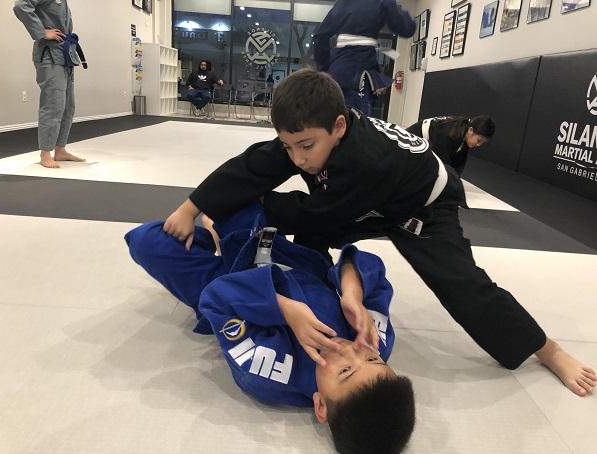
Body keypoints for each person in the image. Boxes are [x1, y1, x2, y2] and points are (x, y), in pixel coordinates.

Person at [162, 68, 596, 397]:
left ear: (339, 125)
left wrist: (252, 204)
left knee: (461, 284)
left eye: (305, 146)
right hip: (363, 194)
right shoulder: (310, 135)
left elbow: (319, 214)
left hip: (422, 202)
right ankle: (309, 300)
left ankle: (547, 349)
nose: (295, 158)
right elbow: (252, 165)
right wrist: (193, 206)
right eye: (288, 145)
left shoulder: (367, 161)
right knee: (288, 219)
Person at [125, 202, 416, 453]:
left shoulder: (269, 374)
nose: (352, 350)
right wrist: (354, 293)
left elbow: (216, 300)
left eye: (344, 370)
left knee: (144, 240)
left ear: (320, 406)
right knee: (237, 198)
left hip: (233, 283)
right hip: (290, 262)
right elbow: (370, 267)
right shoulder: (373, 338)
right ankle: (220, 235)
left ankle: (219, 240)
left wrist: (283, 309)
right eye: (372, 359)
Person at [14, 0, 88, 169]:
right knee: (53, 104)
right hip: (50, 55)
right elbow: (20, 5)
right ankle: (45, 153)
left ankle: (60, 149)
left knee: (68, 106)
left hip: (65, 54)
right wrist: (41, 32)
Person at [312, 0, 416, 116]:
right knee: (357, 129)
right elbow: (408, 28)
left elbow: (319, 36)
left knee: (330, 124)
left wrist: (326, 69)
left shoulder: (342, 3)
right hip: (358, 77)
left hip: (336, 74)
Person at [406, 116, 495, 175]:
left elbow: (457, 166)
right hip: (409, 142)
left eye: (482, 143)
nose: (478, 145)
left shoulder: (464, 131)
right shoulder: (450, 135)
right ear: (470, 130)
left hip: (423, 143)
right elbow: (441, 166)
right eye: (479, 140)